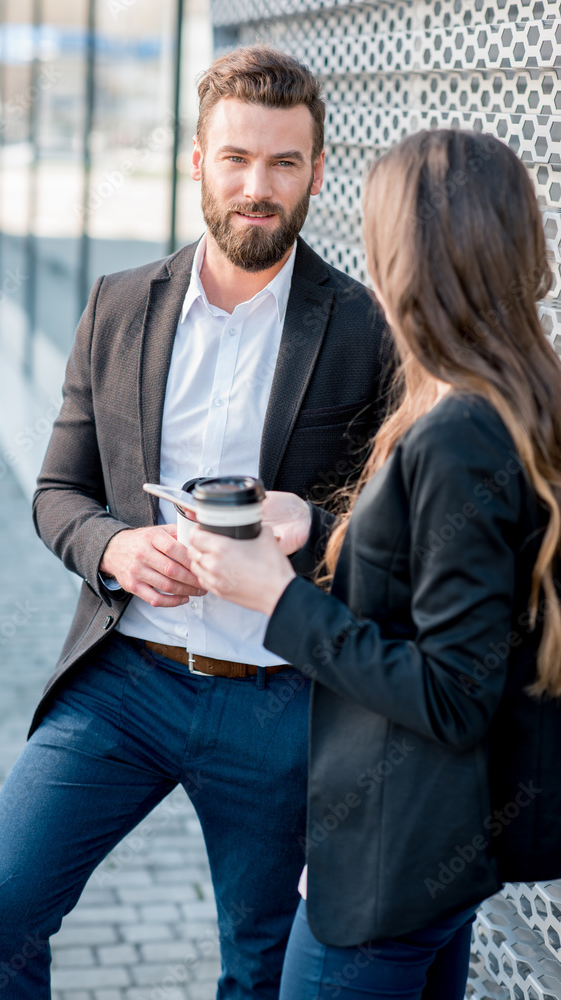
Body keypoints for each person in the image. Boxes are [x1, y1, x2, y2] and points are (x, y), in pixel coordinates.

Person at [0, 46, 392, 999]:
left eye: (284, 164)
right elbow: (57, 492)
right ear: (197, 161)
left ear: (318, 171)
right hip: (124, 679)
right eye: (235, 159)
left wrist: (308, 527)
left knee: (259, 968)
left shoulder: (363, 328)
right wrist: (114, 546)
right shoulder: (118, 306)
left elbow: (387, 532)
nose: (257, 188)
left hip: (279, 702)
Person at [187, 128, 561, 1000]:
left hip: (392, 864)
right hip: (439, 859)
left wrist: (275, 599)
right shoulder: (515, 399)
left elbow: (448, 691)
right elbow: (448, 588)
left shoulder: (460, 431)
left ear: (415, 257)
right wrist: (318, 530)